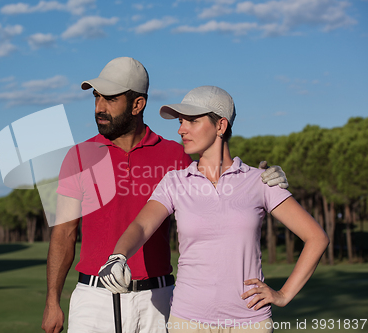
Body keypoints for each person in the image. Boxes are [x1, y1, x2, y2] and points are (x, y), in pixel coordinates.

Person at [41, 59, 288, 333]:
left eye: (110, 99)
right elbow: (63, 233)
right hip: (93, 300)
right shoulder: (78, 156)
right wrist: (53, 300)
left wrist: (264, 177)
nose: (99, 107)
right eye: (96, 97)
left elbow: (223, 181)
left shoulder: (175, 155)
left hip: (158, 300)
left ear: (137, 105)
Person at [98, 86, 329, 333]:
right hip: (187, 322)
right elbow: (142, 225)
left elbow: (316, 238)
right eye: (180, 121)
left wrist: (284, 294)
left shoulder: (259, 181)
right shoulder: (174, 182)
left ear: (221, 126)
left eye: (192, 121)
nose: (181, 129)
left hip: (250, 323)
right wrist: (118, 256)